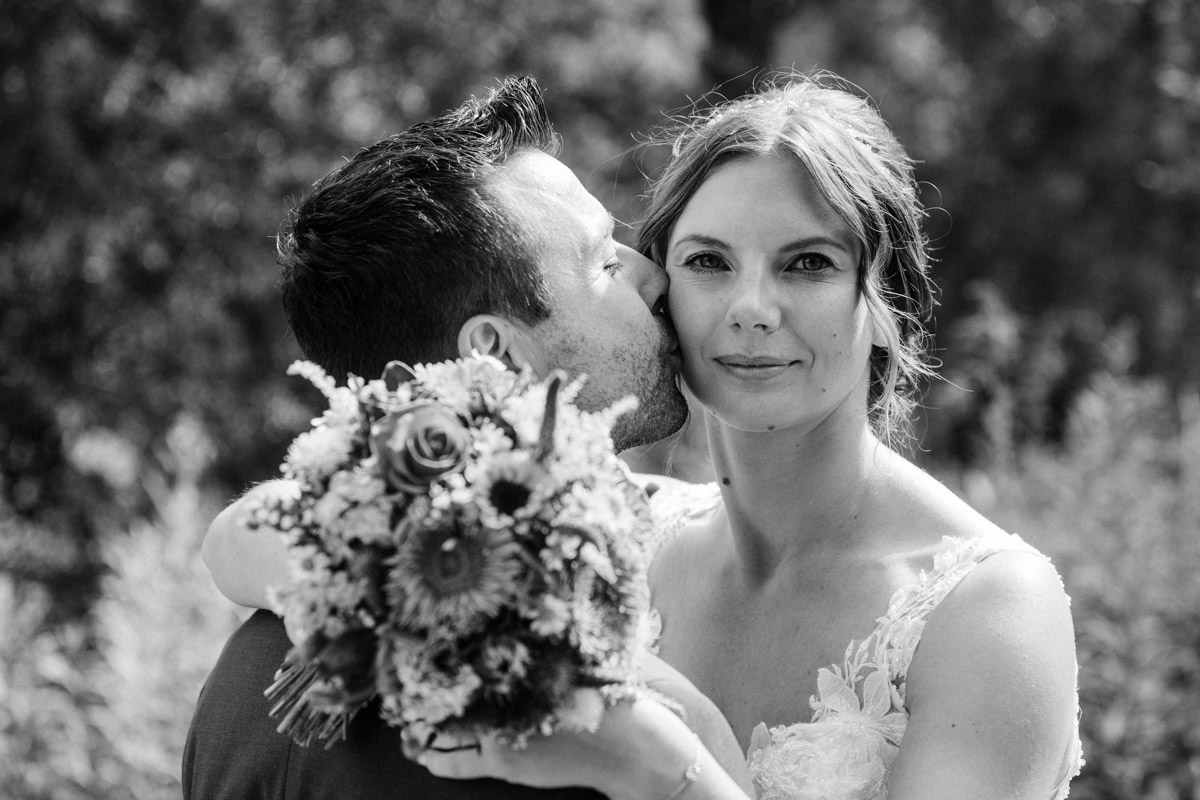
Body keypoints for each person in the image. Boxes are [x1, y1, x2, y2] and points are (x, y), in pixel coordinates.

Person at [206, 73, 1084, 800]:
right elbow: (247, 532)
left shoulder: (987, 609)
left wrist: (664, 762)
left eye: (808, 263)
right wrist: (367, 589)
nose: (751, 308)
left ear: (885, 299)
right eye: (707, 262)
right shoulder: (607, 530)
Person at [183, 75, 750, 800]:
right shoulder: (534, 730)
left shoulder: (247, 669)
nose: (655, 276)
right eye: (604, 261)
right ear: (493, 354)